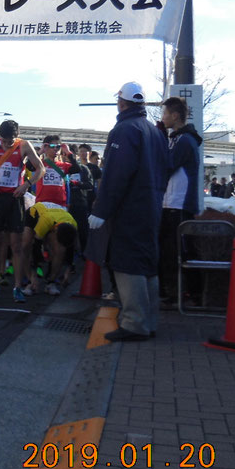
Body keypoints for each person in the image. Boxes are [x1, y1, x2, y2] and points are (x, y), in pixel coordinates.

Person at [88, 81, 169, 342]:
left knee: (127, 261)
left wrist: (101, 210)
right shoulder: (155, 132)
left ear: (121, 102)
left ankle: (134, 323)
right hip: (152, 204)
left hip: (129, 207)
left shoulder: (124, 129)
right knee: (148, 262)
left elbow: (115, 175)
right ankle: (149, 321)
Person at [0, 119, 44, 303]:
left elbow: (41, 169)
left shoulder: (24, 146)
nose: (7, 144)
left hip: (14, 199)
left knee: (16, 245)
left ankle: (17, 288)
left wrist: (27, 185)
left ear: (16, 136)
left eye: (10, 141)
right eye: (4, 140)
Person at [157, 96, 202, 305]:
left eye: (165, 114)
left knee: (176, 251)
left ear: (175, 116)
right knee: (172, 251)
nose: (162, 117)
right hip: (172, 203)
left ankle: (182, 294)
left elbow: (166, 165)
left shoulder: (185, 140)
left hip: (179, 205)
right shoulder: (178, 138)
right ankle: (181, 292)